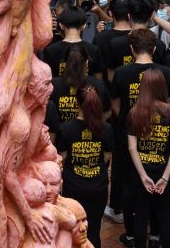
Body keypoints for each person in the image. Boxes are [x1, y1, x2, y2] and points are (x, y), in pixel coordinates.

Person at [126, 67, 170, 248]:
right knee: (165, 216)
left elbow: (132, 148)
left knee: (141, 216)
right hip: (163, 171)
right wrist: (165, 177)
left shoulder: (135, 113)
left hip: (141, 171)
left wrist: (143, 176)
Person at [56, 73, 113, 248]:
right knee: (94, 231)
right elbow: (106, 158)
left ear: (76, 103)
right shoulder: (106, 128)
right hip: (98, 186)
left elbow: (62, 159)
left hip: (74, 187)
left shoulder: (66, 129)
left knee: (73, 232)